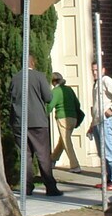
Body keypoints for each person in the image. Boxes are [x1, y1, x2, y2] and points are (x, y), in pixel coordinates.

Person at [12, 56, 62, 197]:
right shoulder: (39, 76)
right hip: (38, 122)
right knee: (43, 155)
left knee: (25, 156)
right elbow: (48, 97)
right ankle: (51, 187)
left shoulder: (15, 78)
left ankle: (26, 187)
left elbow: (12, 98)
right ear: (33, 63)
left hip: (19, 121)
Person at [49, 72, 84, 171]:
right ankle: (52, 160)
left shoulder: (56, 91)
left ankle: (75, 166)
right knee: (63, 140)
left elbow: (50, 105)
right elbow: (77, 104)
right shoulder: (69, 89)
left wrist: (44, 113)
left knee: (66, 142)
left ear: (54, 82)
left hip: (63, 118)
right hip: (73, 118)